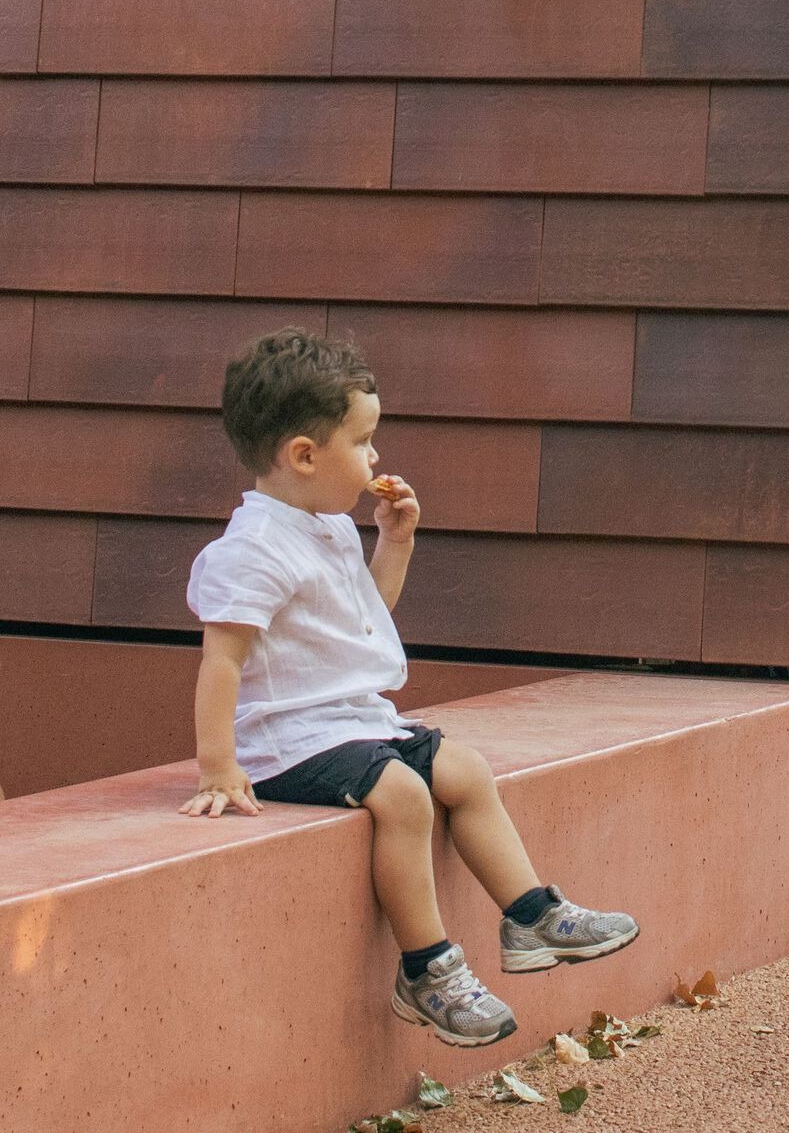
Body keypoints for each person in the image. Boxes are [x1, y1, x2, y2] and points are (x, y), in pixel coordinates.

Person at [181, 328, 640, 1050]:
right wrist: (218, 765)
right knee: (403, 795)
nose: (375, 458)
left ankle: (531, 915)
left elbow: (364, 625)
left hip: (353, 724)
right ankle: (427, 969)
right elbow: (222, 663)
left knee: (466, 769)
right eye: (363, 441)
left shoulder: (328, 528)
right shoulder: (252, 550)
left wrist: (394, 543)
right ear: (304, 455)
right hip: (288, 741)